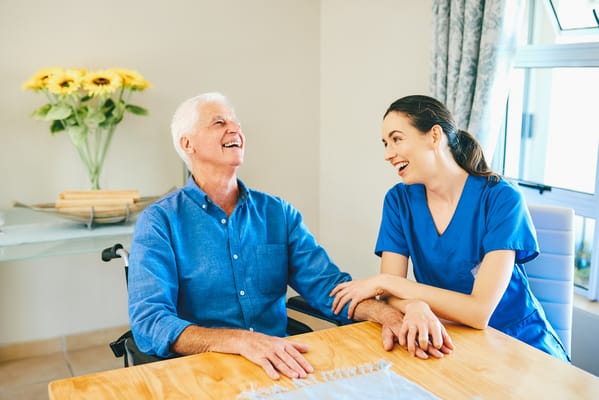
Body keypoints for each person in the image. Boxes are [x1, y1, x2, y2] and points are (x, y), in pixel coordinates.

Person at [127, 92, 454, 381]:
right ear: (188, 144)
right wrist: (239, 341)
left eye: (236, 122)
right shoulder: (160, 222)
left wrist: (389, 315)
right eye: (219, 122)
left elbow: (326, 285)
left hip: (279, 367)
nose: (235, 129)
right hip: (202, 373)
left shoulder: (277, 213)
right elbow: (149, 321)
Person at [330, 95, 570, 362]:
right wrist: (415, 306)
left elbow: (479, 312)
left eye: (396, 139)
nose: (388, 154)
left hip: (520, 344)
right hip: (448, 338)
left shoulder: (502, 198)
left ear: (434, 135)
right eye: (385, 144)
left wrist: (388, 283)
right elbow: (389, 296)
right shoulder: (399, 201)